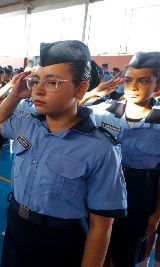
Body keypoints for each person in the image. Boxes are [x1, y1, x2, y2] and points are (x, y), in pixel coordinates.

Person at [0, 40, 127, 267]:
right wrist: (15, 95)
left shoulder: (100, 148)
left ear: (81, 89)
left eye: (52, 82)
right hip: (16, 226)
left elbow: (101, 226)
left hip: (60, 241)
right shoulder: (29, 125)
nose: (39, 90)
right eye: (36, 82)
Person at [86, 51, 160, 267]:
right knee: (97, 247)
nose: (133, 86)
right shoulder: (105, 112)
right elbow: (68, 110)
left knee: (125, 252)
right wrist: (93, 93)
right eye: (128, 80)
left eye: (143, 81)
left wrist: (156, 214)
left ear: (156, 86)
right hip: (101, 185)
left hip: (138, 191)